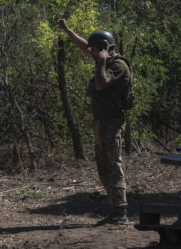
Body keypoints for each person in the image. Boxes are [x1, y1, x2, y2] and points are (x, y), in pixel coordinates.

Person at [58, 18, 133, 225]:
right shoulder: (105, 59)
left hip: (112, 122)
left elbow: (101, 85)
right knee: (102, 167)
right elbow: (84, 46)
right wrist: (68, 30)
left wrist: (100, 61)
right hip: (102, 122)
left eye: (93, 51)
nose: (89, 53)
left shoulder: (117, 66)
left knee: (112, 165)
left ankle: (121, 212)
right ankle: (115, 210)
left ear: (103, 49)